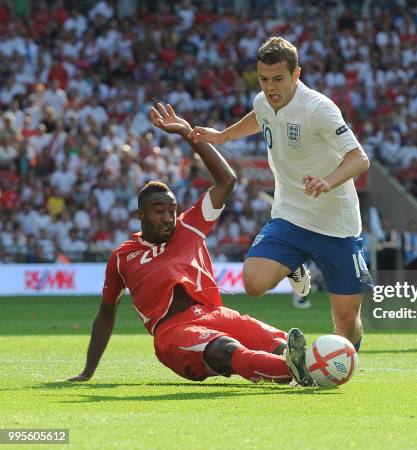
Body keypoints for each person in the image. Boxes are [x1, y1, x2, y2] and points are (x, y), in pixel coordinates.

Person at [68, 103, 315, 386]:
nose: (167, 217)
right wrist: (88, 371)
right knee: (227, 351)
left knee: (280, 342)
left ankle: (305, 367)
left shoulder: (189, 227)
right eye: (158, 210)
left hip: (216, 315)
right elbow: (106, 313)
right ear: (140, 215)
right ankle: (293, 370)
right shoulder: (123, 257)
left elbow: (226, 181)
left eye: (171, 209)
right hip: (173, 332)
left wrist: (189, 134)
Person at [189, 37, 371, 350]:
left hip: (336, 225)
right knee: (254, 283)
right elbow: (258, 118)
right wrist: (222, 136)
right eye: (263, 79)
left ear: (296, 75)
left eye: (278, 79)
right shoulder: (263, 101)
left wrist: (327, 181)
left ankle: (340, 361)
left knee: (346, 324)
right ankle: (294, 266)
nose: (270, 87)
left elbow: (359, 158)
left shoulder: (319, 109)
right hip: (291, 215)